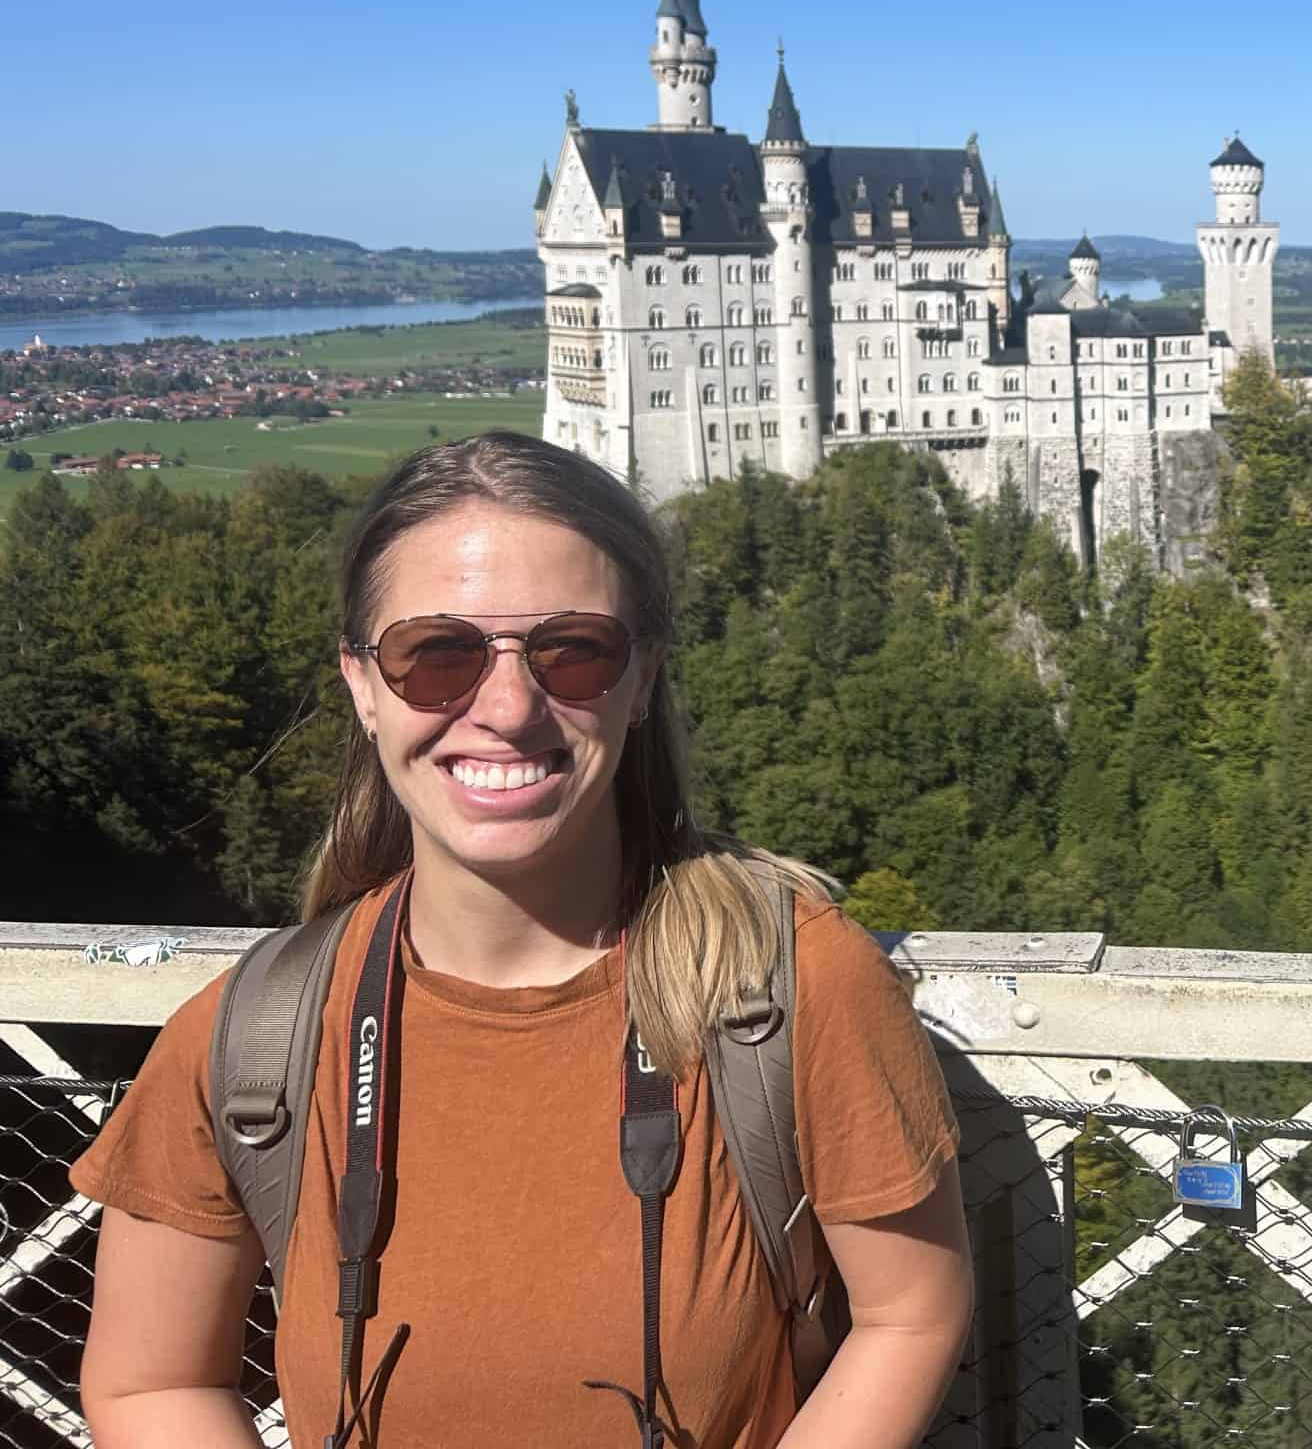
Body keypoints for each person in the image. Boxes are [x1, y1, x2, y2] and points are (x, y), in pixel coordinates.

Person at [73, 432, 974, 1447]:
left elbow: (910, 1311)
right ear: (362, 684)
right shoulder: (256, 1039)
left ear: (642, 680)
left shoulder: (783, 984)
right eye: (436, 655)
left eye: (574, 651)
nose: (505, 707)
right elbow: (152, 1385)